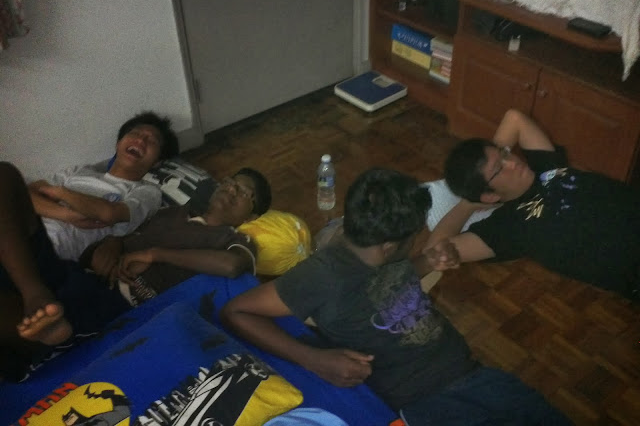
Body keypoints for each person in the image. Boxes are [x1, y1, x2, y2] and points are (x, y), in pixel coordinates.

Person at [221, 168, 569, 425]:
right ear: (390, 246)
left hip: (474, 373)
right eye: (415, 235)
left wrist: (427, 261)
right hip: (426, 402)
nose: (418, 239)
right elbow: (237, 312)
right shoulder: (322, 276)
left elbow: (391, 278)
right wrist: (313, 358)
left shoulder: (376, 247)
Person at [0, 111, 178, 380]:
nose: (141, 140)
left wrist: (59, 193)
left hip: (45, 257)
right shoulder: (78, 172)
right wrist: (67, 214)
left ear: (158, 161)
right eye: (135, 134)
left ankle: (35, 296)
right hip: (16, 239)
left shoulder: (145, 192)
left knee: (4, 173)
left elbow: (108, 213)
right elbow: (27, 194)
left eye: (151, 141)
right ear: (119, 142)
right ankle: (36, 317)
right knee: (5, 176)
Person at [428, 108, 640, 299]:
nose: (513, 162)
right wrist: (468, 204)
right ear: (489, 196)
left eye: (504, 153)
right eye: (499, 169)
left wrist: (493, 159)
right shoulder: (508, 228)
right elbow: (433, 252)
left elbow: (514, 118)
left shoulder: (545, 166)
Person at [82, 168, 272, 306]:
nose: (231, 190)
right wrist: (113, 243)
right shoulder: (171, 212)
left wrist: (154, 255)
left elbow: (232, 265)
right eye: (230, 182)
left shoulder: (236, 240)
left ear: (251, 217)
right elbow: (125, 234)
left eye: (244, 192)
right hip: (97, 279)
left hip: (133, 308)